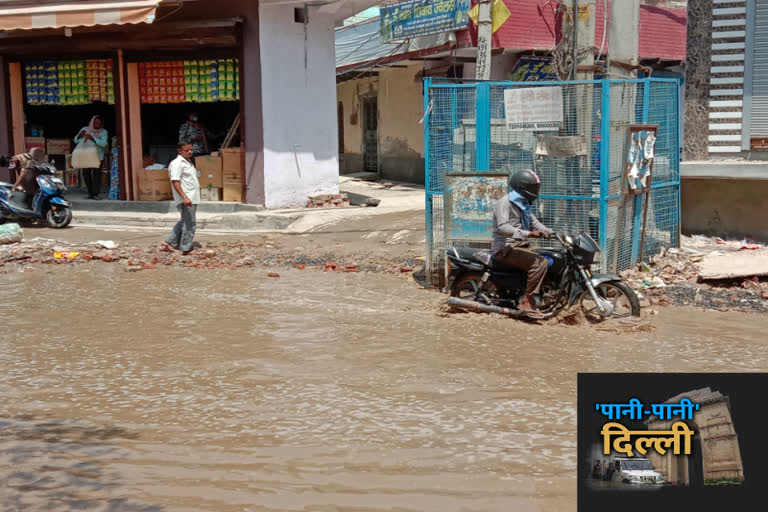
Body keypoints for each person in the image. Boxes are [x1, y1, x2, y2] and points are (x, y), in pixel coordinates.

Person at [491, 169, 554, 318]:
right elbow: (503, 227)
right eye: (533, 188)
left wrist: (553, 233)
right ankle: (527, 301)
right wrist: (528, 234)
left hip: (521, 245)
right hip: (505, 247)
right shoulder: (504, 203)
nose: (535, 191)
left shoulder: (524, 203)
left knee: (553, 256)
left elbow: (535, 223)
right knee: (539, 263)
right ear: (522, 187)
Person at [163, 141, 200, 255]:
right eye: (186, 150)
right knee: (190, 223)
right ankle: (185, 247)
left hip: (192, 197)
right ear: (179, 151)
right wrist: (185, 197)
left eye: (191, 150)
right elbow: (175, 181)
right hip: (186, 198)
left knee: (185, 221)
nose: (190, 152)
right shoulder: (177, 163)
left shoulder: (188, 162)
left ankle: (169, 242)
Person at [74, 115, 109, 200]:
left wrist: (93, 138)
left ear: (102, 124)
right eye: (95, 122)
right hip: (85, 155)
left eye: (99, 123)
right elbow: (76, 141)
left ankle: (96, 194)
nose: (97, 125)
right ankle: (90, 193)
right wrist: (80, 136)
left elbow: (104, 144)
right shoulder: (85, 129)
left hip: (97, 156)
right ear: (92, 122)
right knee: (86, 174)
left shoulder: (104, 132)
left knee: (97, 174)